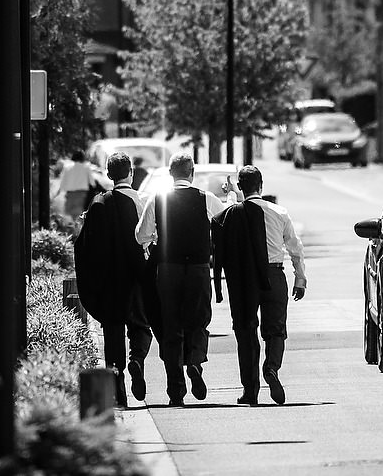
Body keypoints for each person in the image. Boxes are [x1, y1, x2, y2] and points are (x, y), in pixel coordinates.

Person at [135, 152, 226, 406]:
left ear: (170, 174)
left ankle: (175, 389)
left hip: (168, 268)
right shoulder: (205, 198)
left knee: (171, 323)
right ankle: (195, 363)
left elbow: (141, 235)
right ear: (192, 172)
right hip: (198, 268)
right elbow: (225, 224)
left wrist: (155, 239)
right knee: (198, 320)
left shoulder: (158, 199)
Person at [210, 165, 306, 406]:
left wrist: (232, 194)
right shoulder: (279, 212)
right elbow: (295, 248)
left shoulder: (232, 214)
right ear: (261, 186)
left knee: (245, 330)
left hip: (245, 279)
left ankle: (250, 390)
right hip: (274, 275)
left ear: (241, 187)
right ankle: (271, 368)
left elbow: (226, 217)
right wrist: (300, 278)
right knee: (275, 329)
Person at [74, 153, 153, 408]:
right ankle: (138, 359)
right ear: (131, 173)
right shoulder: (141, 202)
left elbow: (84, 246)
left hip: (109, 283)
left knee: (113, 333)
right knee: (141, 327)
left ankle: (117, 384)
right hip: (135, 279)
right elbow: (149, 239)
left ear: (108, 175)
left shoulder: (98, 204)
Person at [56, 150, 98, 225]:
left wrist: (58, 192)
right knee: (79, 215)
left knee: (70, 216)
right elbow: (92, 183)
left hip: (70, 194)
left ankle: (72, 231)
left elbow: (63, 182)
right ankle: (78, 232)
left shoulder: (67, 167)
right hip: (82, 195)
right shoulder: (86, 167)